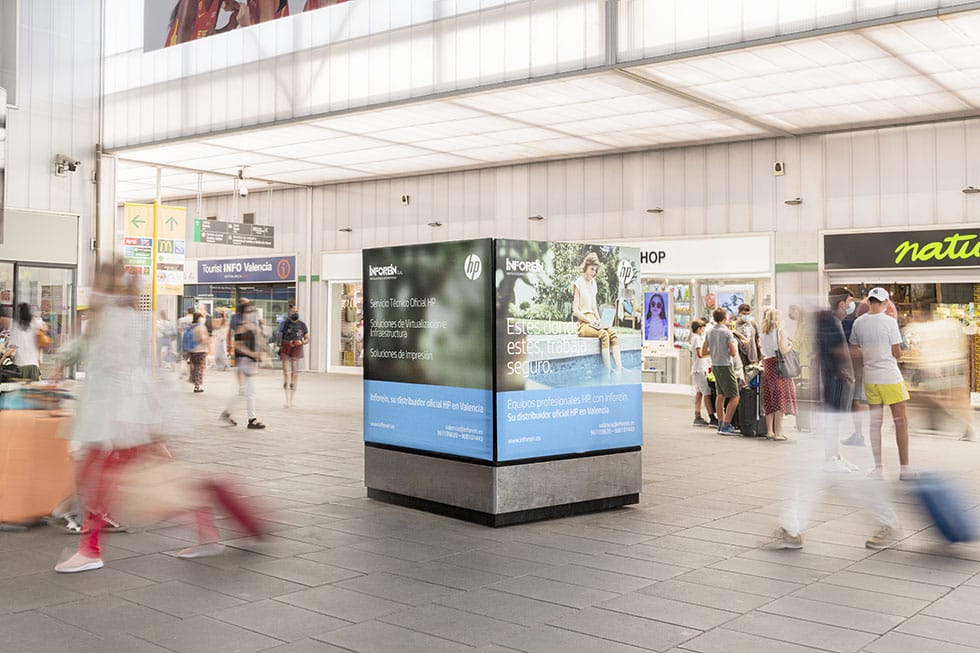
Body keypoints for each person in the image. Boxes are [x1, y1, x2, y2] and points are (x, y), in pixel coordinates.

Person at [764, 286, 901, 551]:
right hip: (833, 407)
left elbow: (840, 362)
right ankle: (791, 528)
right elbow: (840, 362)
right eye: (849, 302)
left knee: (836, 477)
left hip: (834, 409)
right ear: (840, 304)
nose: (852, 306)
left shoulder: (828, 322)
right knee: (813, 474)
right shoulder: (829, 322)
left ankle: (888, 522)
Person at [849, 287, 914, 480]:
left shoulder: (858, 323)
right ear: (885, 303)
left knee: (875, 424)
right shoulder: (890, 322)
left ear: (870, 301)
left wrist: (869, 355)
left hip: (871, 378)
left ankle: (878, 469)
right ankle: (905, 470)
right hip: (890, 378)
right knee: (901, 422)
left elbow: (854, 348)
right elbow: (897, 352)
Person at [572, 252, 623, 373]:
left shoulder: (593, 283)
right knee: (604, 335)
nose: (593, 273)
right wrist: (591, 321)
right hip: (583, 324)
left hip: (594, 321)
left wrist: (601, 321)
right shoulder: (578, 283)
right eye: (591, 269)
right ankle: (608, 372)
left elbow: (594, 308)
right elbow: (575, 311)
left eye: (595, 270)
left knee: (613, 334)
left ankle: (619, 370)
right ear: (586, 266)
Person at [221, 302, 266, 429]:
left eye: (253, 311)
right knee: (249, 391)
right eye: (249, 311)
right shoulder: (241, 328)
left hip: (250, 362)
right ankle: (252, 419)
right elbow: (238, 345)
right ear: (243, 314)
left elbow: (259, 342)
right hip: (243, 362)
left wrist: (262, 354)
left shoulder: (253, 327)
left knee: (243, 391)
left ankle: (228, 412)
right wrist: (252, 353)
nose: (252, 314)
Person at [759, 309, 798, 442]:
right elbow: (783, 350)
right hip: (779, 366)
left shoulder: (763, 333)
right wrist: (790, 345)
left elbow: (763, 351)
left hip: (767, 365)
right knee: (780, 398)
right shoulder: (779, 331)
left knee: (769, 398)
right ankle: (778, 432)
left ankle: (769, 431)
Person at [703, 308, 739, 435]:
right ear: (725, 318)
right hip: (725, 365)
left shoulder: (709, 331)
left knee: (720, 395)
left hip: (715, 365)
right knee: (735, 396)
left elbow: (703, 352)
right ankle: (726, 424)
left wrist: (715, 351)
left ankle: (720, 423)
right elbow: (733, 352)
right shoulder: (727, 332)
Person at [278, 301, 310, 408]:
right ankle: (286, 400)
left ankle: (291, 400)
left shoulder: (302, 325)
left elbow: (307, 338)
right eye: (293, 311)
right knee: (286, 374)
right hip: (286, 350)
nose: (295, 313)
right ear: (289, 312)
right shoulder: (284, 324)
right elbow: (279, 339)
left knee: (295, 374)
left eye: (296, 311)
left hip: (297, 350)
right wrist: (288, 343)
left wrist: (302, 342)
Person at [8, 303, 45, 381]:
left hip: (20, 365)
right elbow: (44, 328)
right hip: (33, 366)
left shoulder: (15, 326)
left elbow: (12, 347)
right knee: (32, 390)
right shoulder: (35, 323)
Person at [689, 319, 715, 427]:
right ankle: (712, 417)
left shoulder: (695, 338)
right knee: (707, 393)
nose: (704, 330)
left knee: (699, 393)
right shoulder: (697, 339)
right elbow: (700, 354)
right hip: (700, 369)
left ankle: (697, 415)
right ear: (699, 328)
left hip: (698, 369)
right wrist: (711, 353)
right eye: (703, 328)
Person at [186, 312, 210, 393]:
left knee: (195, 367)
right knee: (199, 368)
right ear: (200, 318)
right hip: (201, 350)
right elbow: (202, 339)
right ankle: (197, 386)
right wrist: (208, 341)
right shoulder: (201, 327)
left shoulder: (191, 327)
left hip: (192, 350)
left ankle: (196, 384)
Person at [733, 304, 760, 368]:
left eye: (748, 314)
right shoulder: (735, 325)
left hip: (753, 355)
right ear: (739, 313)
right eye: (744, 314)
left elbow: (758, 338)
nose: (746, 316)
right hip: (741, 354)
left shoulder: (753, 324)